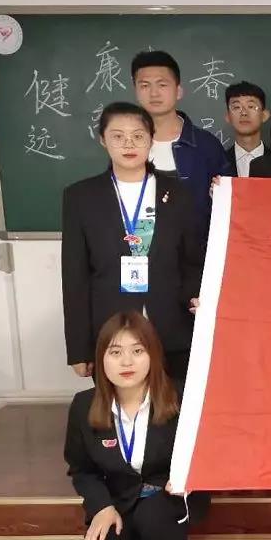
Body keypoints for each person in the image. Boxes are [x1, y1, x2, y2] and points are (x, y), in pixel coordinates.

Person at [64, 311, 208, 540]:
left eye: (137, 351)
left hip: (172, 497)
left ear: (153, 355)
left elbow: (208, 449)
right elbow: (81, 469)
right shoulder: (83, 406)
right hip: (123, 500)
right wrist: (101, 506)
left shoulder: (182, 396)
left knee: (152, 516)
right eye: (115, 352)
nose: (126, 362)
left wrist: (188, 476)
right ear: (101, 359)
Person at [61, 102, 204, 381]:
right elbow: (74, 277)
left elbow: (192, 261)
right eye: (118, 136)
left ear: (151, 140)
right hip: (111, 335)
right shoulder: (80, 197)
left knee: (173, 405)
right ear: (103, 140)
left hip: (173, 332)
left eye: (138, 136)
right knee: (117, 408)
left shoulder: (179, 194)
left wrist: (195, 302)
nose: (129, 144)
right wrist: (78, 348)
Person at [130, 51, 233, 237]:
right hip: (141, 248)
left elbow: (229, 206)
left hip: (197, 250)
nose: (154, 93)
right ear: (136, 91)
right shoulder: (126, 145)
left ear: (178, 91)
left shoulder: (206, 145)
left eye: (162, 85)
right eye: (145, 85)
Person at [224, 81, 270, 177]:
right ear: (228, 116)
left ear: (264, 115)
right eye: (237, 107)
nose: (244, 113)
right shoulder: (218, 162)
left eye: (251, 106)